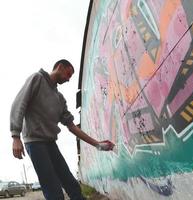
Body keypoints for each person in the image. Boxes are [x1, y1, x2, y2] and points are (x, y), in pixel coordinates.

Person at [10, 59, 115, 200]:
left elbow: (72, 126)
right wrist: (15, 136)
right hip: (34, 142)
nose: (68, 79)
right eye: (68, 74)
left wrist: (97, 144)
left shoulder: (59, 99)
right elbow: (19, 104)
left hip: (50, 143)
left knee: (71, 183)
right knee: (53, 188)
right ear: (59, 67)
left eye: (70, 76)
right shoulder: (37, 79)